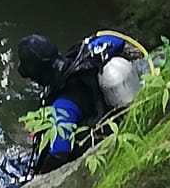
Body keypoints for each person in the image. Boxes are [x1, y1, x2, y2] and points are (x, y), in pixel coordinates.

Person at [14, 33, 135, 174]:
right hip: (99, 108)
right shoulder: (83, 57)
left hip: (91, 136)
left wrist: (40, 175)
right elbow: (117, 40)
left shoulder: (63, 106)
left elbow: (59, 152)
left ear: (38, 74)